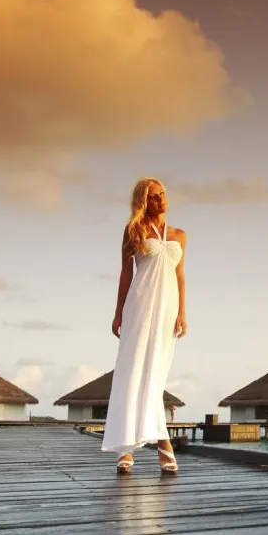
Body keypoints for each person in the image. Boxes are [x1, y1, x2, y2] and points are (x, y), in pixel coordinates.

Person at [101, 177, 187, 474]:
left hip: (167, 311)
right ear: (143, 201)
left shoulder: (179, 235)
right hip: (139, 305)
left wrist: (182, 314)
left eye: (162, 193)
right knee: (132, 370)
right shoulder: (133, 230)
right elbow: (126, 274)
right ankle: (131, 448)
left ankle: (157, 441)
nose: (160, 199)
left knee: (156, 375)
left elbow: (179, 277)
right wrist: (118, 313)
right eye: (153, 196)